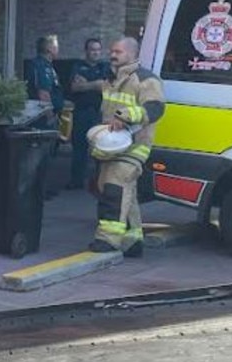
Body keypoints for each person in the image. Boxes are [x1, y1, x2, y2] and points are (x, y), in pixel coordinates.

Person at [89, 36, 164, 258]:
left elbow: (156, 108)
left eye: (118, 52)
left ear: (132, 54)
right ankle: (132, 241)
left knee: (114, 189)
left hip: (134, 146)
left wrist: (126, 117)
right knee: (124, 191)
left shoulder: (145, 79)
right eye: (112, 51)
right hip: (112, 146)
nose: (113, 55)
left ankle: (107, 240)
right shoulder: (112, 78)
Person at [68, 38, 111, 191]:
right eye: (92, 49)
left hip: (99, 114)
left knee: (100, 149)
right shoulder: (78, 67)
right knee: (79, 148)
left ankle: (99, 182)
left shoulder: (105, 67)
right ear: (86, 51)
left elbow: (107, 87)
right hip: (81, 113)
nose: (96, 52)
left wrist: (86, 84)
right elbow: (74, 87)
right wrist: (96, 84)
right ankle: (76, 181)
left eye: (98, 49)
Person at [25, 34, 64, 198]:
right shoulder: (41, 67)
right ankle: (37, 191)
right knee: (41, 154)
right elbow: (43, 93)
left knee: (47, 154)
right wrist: (50, 115)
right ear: (49, 48)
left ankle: (42, 188)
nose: (58, 49)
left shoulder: (49, 66)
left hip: (49, 113)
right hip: (42, 118)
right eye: (56, 46)